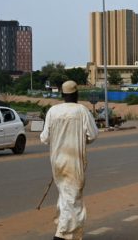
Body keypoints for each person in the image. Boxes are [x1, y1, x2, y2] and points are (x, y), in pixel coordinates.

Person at [40, 80, 99, 240]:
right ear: (77, 94)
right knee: (73, 198)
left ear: (63, 95)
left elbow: (44, 138)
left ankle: (65, 230)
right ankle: (61, 234)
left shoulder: (53, 111)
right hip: (74, 162)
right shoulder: (82, 111)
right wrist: (79, 138)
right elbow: (93, 135)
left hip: (57, 162)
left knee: (65, 196)